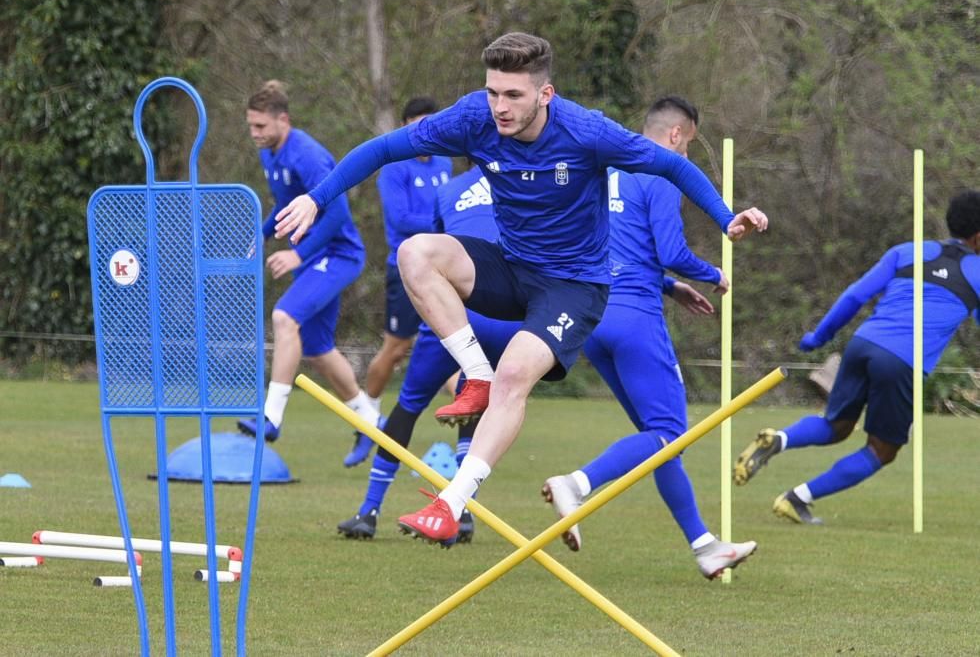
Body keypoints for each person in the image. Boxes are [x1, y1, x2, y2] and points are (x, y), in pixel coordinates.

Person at [273, 32, 768, 544]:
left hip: (573, 287)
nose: (500, 107)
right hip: (511, 267)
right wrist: (316, 198)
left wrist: (727, 217)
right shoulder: (473, 119)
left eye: (513, 96)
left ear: (545, 95)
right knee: (415, 252)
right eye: (493, 92)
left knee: (515, 373)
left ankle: (451, 502)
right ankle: (474, 373)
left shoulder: (587, 132)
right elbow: (381, 150)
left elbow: (668, 163)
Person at [541, 96, 757, 580]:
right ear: (677, 135)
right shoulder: (660, 171)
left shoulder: (608, 167)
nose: (689, 157)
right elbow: (672, 249)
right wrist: (712, 274)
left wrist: (672, 287)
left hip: (592, 318)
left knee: (659, 442)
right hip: (635, 317)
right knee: (667, 434)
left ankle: (705, 546)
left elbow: (612, 247)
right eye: (692, 144)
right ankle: (576, 483)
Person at [733, 190, 980, 524]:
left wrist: (819, 336)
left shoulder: (907, 251)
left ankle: (779, 439)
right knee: (882, 450)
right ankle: (796, 498)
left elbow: (855, 295)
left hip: (863, 344)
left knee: (835, 426)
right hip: (902, 362)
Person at [338, 166, 523, 543]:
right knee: (478, 401)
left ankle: (369, 511)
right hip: (505, 315)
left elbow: (437, 254)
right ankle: (463, 510)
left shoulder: (449, 189)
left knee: (408, 405)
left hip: (454, 316)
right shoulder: (524, 184)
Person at [237, 80, 380, 444]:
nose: (254, 134)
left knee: (284, 317)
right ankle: (370, 420)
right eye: (251, 125)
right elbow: (284, 205)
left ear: (283, 120)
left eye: (260, 127)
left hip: (339, 255)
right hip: (314, 258)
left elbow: (337, 215)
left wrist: (296, 253)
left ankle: (270, 417)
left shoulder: (307, 155)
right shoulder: (269, 152)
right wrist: (261, 235)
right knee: (317, 348)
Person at [343, 98, 454, 465]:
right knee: (395, 348)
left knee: (451, 343)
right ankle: (366, 421)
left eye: (431, 124)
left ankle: (469, 439)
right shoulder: (394, 168)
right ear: (407, 128)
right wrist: (446, 224)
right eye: (418, 125)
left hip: (442, 267)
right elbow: (403, 219)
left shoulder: (445, 162)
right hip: (405, 268)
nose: (426, 133)